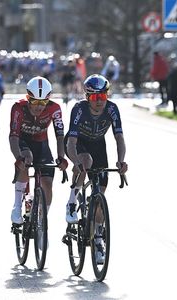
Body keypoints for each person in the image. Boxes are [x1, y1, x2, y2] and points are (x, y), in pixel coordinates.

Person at [64, 74, 128, 263]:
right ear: (87, 97)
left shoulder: (112, 109)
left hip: (99, 146)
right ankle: (71, 202)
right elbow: (71, 142)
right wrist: (76, 162)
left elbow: (119, 138)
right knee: (86, 162)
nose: (99, 102)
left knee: (100, 195)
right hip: (78, 145)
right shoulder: (79, 109)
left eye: (103, 97)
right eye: (95, 98)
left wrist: (121, 161)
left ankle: (98, 237)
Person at [9, 76, 68, 224]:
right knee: (26, 158)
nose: (39, 106)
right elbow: (13, 137)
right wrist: (18, 157)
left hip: (41, 144)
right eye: (34, 101)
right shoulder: (18, 108)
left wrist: (61, 157)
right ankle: (17, 206)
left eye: (43, 102)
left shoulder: (54, 108)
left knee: (47, 183)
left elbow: (60, 135)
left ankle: (43, 221)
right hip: (23, 142)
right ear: (28, 97)